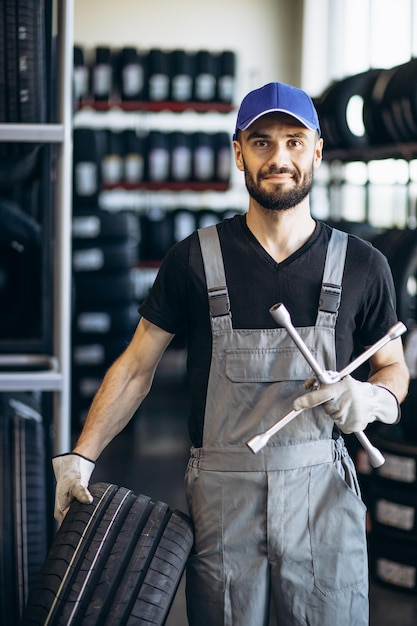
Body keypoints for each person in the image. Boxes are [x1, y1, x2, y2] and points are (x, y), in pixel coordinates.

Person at [53, 81, 409, 626]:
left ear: (317, 149)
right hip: (224, 505)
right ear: (238, 151)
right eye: (261, 142)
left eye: (294, 141)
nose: (279, 158)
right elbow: (136, 368)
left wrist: (374, 399)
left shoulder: (364, 265)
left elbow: (393, 366)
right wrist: (83, 454)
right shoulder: (193, 259)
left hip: (322, 504)